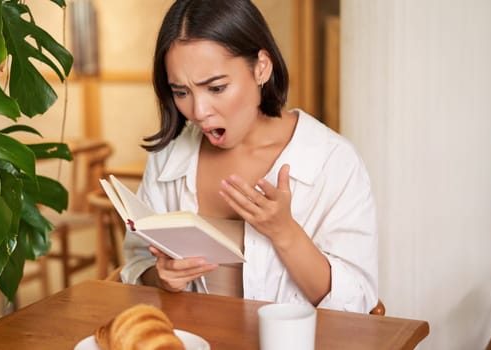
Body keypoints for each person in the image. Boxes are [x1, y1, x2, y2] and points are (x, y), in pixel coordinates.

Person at [120, 0, 378, 313]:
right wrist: (161, 277)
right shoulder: (169, 157)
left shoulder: (333, 161)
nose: (198, 112)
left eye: (216, 88)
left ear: (261, 68)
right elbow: (137, 263)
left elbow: (359, 305)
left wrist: (285, 234)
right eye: (181, 92)